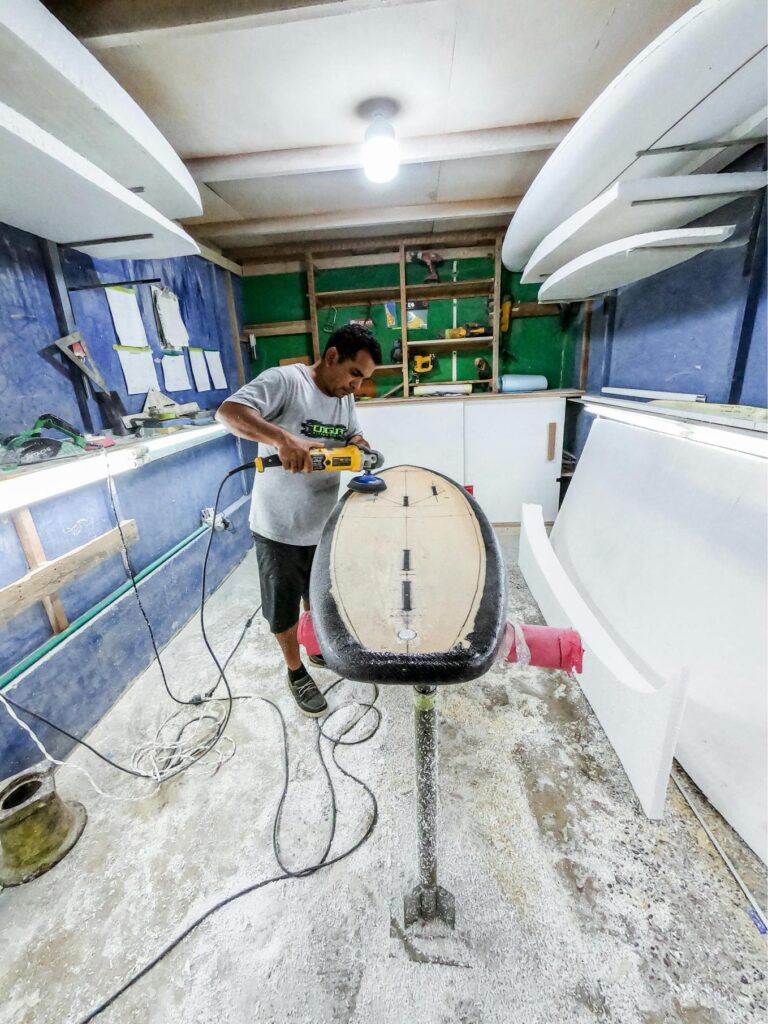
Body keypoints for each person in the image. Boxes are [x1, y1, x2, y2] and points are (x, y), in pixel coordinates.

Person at [216, 323, 382, 717]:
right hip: (280, 527)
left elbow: (353, 433)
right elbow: (228, 412)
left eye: (365, 379)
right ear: (331, 357)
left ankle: (315, 643)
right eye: (354, 374)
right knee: (283, 608)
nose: (357, 386)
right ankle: (295, 671)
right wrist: (282, 439)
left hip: (322, 523)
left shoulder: (344, 398)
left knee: (317, 595)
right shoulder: (286, 382)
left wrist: (360, 447)